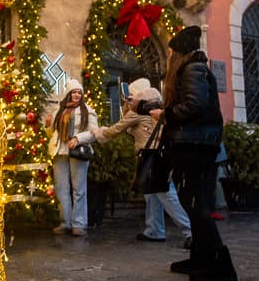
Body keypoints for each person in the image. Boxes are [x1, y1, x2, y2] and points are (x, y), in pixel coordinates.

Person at [149, 26, 237, 281]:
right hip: (195, 144)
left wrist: (166, 115)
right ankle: (199, 258)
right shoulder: (195, 70)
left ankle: (221, 268)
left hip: (195, 146)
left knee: (197, 204)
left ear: (177, 52)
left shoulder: (192, 69)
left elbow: (195, 105)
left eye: (170, 50)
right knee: (193, 203)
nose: (167, 54)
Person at [91, 78, 193, 245]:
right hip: (161, 153)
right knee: (152, 195)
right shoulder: (158, 105)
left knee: (166, 194)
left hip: (151, 155)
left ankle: (190, 231)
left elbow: (115, 130)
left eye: (131, 95)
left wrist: (97, 132)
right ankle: (154, 230)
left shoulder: (138, 111)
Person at [48, 79, 100, 236]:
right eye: (74, 92)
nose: (77, 95)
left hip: (77, 151)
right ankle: (65, 222)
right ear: (68, 94)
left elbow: (94, 132)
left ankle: (79, 224)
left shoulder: (87, 111)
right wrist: (48, 125)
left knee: (79, 189)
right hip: (60, 151)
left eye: (79, 92)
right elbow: (52, 133)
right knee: (61, 188)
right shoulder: (60, 110)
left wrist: (78, 138)